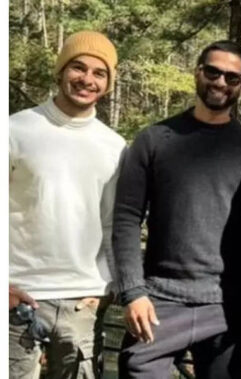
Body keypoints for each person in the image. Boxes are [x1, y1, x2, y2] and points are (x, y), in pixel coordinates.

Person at [112, 40, 241, 378]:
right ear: (197, 72)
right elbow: (127, 218)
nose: (220, 82)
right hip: (158, 301)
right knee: (135, 369)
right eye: (213, 72)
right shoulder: (155, 139)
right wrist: (133, 292)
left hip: (226, 306)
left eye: (232, 77)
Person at [9, 30, 125, 379]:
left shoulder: (115, 146)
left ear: (107, 84)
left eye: (99, 72)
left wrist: (103, 288)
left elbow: (112, 224)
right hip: (18, 297)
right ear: (60, 71)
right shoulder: (15, 130)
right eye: (78, 67)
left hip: (83, 303)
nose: (87, 79)